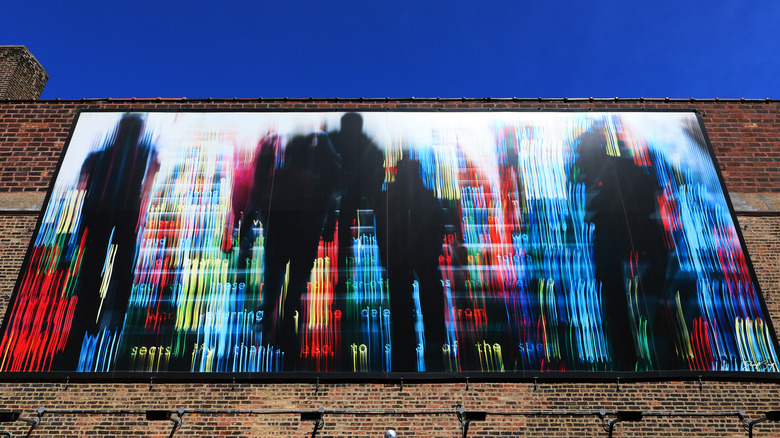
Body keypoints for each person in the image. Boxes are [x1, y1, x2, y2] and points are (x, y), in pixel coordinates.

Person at [240, 131, 343, 369]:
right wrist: (329, 221)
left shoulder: (276, 152)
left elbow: (258, 186)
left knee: (276, 265)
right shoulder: (319, 150)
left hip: (282, 217)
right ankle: (286, 313)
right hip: (307, 218)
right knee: (298, 269)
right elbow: (334, 185)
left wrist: (251, 216)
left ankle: (271, 311)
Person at [64, 113, 160, 365]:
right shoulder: (144, 152)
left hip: (98, 211)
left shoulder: (102, 154)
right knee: (121, 268)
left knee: (93, 267)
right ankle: (113, 317)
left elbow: (82, 183)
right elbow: (149, 180)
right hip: (125, 212)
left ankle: (86, 320)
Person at [375, 159, 447, 372]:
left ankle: (407, 342)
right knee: (429, 290)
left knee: (402, 299)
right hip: (419, 255)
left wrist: (387, 256)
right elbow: (438, 226)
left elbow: (383, 228)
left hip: (401, 255)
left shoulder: (389, 198)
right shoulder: (428, 199)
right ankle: (433, 339)